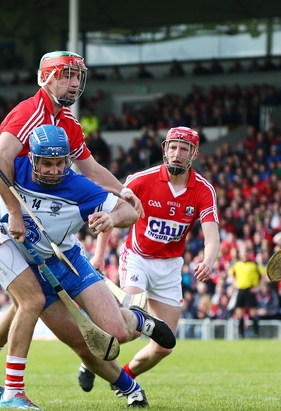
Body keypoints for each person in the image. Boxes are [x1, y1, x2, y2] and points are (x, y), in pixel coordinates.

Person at [0, 51, 142, 409]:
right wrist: (15, 212)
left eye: (79, 77)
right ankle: (12, 393)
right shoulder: (28, 113)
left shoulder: (64, 122)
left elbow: (92, 169)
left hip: (18, 221)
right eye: (66, 76)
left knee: (25, 299)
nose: (75, 84)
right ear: (45, 78)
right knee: (31, 299)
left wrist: (123, 191)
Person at [0, 124, 175, 409]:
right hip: (37, 275)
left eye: (59, 163)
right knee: (85, 345)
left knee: (118, 333)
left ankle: (139, 319)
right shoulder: (10, 168)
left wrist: (111, 220)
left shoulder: (78, 187)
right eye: (47, 164)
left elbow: (129, 211)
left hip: (70, 263)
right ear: (32, 158)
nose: (54, 170)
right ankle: (131, 390)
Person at [81, 126, 220, 393]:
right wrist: (99, 255)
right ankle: (93, 361)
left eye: (184, 149)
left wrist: (208, 260)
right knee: (132, 323)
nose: (177, 154)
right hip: (137, 259)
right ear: (165, 149)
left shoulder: (203, 190)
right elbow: (112, 214)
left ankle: (124, 377)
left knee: (164, 345)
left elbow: (211, 237)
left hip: (170, 267)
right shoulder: (141, 180)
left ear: (194, 154)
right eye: (173, 147)